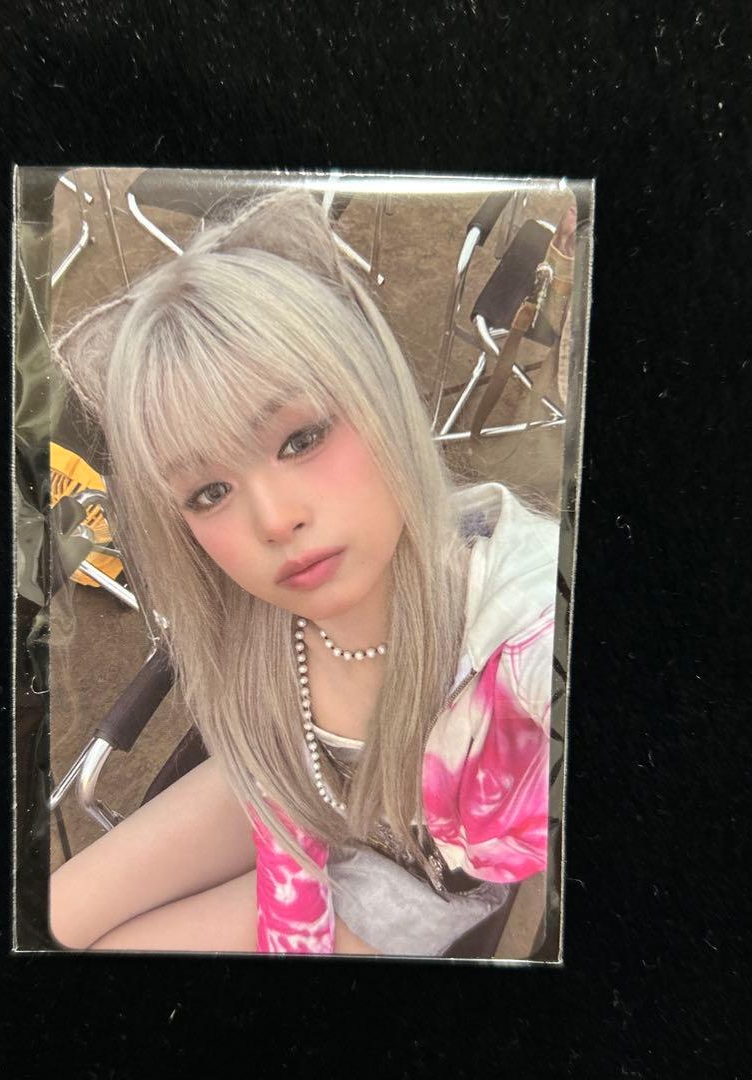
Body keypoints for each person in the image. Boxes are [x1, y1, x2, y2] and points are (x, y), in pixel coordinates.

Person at [47, 189, 566, 956]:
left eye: (301, 439)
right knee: (58, 914)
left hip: (412, 883)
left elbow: (449, 888)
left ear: (374, 390)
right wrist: (288, 867)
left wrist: (297, 922)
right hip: (293, 789)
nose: (275, 519)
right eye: (209, 492)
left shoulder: (522, 646)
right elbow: (276, 777)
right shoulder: (247, 609)